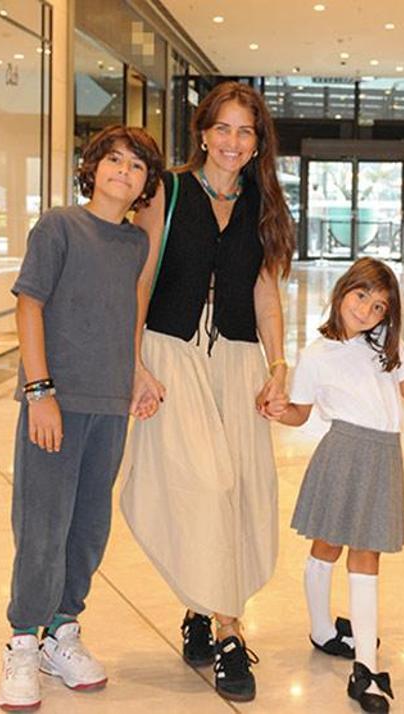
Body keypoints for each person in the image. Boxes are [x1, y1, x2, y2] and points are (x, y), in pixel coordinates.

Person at [119, 81, 294, 702]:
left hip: (239, 357)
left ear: (258, 142)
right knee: (207, 484)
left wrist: (279, 364)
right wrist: (134, 363)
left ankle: (199, 607)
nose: (232, 141)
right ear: (202, 132)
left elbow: (266, 292)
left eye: (245, 131)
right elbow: (140, 281)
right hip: (172, 351)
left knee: (239, 490)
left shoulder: (264, 203)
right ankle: (229, 634)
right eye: (223, 128)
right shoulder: (166, 191)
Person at [0, 125, 163, 712]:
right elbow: (30, 305)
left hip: (109, 406)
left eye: (137, 166)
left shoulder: (135, 244)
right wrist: (39, 390)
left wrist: (136, 371)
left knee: (89, 527)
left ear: (146, 185)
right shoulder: (59, 226)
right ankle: (23, 639)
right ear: (91, 168)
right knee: (43, 524)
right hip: (56, 402)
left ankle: (61, 632)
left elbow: (129, 314)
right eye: (113, 159)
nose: (124, 171)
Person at [276, 257, 404, 714]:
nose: (367, 311)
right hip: (342, 453)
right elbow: (300, 412)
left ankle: (366, 668)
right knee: (327, 543)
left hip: (382, 456)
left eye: (379, 307)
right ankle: (321, 630)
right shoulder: (316, 355)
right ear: (343, 290)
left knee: (368, 552)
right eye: (361, 296)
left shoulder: (384, 344)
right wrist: (277, 410)